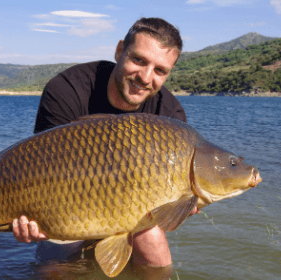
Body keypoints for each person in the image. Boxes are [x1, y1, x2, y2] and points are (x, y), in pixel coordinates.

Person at [12, 17, 200, 269]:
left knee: (157, 256)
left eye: (160, 70)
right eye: (139, 60)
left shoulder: (170, 115)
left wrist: (181, 204)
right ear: (120, 50)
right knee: (54, 262)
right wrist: (31, 218)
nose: (145, 77)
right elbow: (41, 170)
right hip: (68, 202)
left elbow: (167, 208)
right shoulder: (67, 90)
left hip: (132, 207)